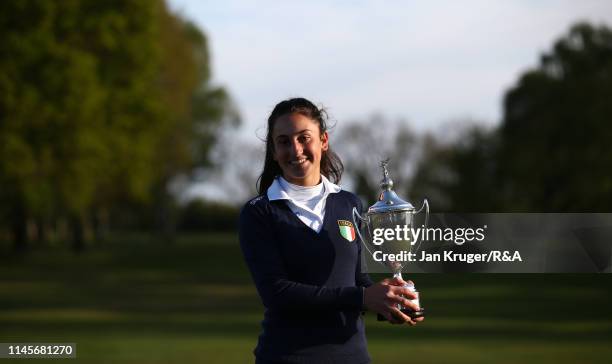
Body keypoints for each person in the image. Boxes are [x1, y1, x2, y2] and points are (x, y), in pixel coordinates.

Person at [239, 97, 423, 364]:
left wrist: (390, 299)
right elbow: (277, 293)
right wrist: (363, 298)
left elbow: (357, 280)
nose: (295, 149)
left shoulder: (349, 203)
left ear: (323, 141)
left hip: (353, 357)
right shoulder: (259, 212)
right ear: (273, 151)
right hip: (288, 357)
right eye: (283, 141)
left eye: (304, 138)